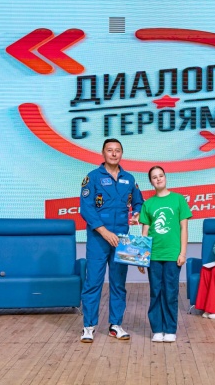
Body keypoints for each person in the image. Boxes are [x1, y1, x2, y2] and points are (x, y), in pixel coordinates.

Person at [79, 138, 144, 343]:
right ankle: (89, 326)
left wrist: (137, 213)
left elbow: (138, 201)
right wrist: (104, 232)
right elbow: (86, 208)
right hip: (98, 238)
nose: (114, 154)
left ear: (121, 154)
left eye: (117, 150)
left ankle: (115, 325)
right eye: (110, 150)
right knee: (93, 282)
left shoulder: (129, 179)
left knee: (118, 284)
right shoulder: (92, 177)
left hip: (122, 239)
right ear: (103, 153)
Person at [138, 166, 192, 342]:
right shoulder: (148, 204)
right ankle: (157, 329)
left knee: (170, 292)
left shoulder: (178, 200)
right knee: (155, 292)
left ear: (165, 177)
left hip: (172, 255)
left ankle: (170, 329)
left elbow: (184, 228)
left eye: (161, 175)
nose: (158, 179)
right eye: (154, 177)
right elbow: (145, 232)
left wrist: (183, 253)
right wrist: (141, 257)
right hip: (153, 255)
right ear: (151, 182)